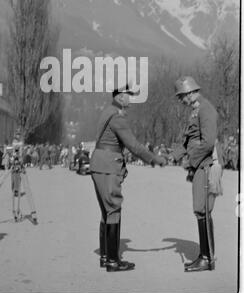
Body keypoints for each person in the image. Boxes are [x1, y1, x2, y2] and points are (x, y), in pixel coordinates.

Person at [90, 84, 166, 272]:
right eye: (129, 95)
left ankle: (106, 256)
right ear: (119, 96)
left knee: (106, 211)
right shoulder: (117, 117)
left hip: (99, 164)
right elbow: (134, 146)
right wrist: (155, 159)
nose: (131, 99)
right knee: (113, 210)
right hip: (109, 165)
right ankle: (113, 262)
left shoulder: (107, 112)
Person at [169, 76, 223, 272]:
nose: (181, 100)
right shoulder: (195, 111)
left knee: (202, 210)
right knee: (200, 210)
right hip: (199, 164)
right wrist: (174, 155)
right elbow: (189, 140)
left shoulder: (205, 109)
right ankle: (205, 255)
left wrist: (190, 160)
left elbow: (208, 143)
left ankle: (207, 258)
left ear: (190, 92)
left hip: (206, 165)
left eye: (181, 96)